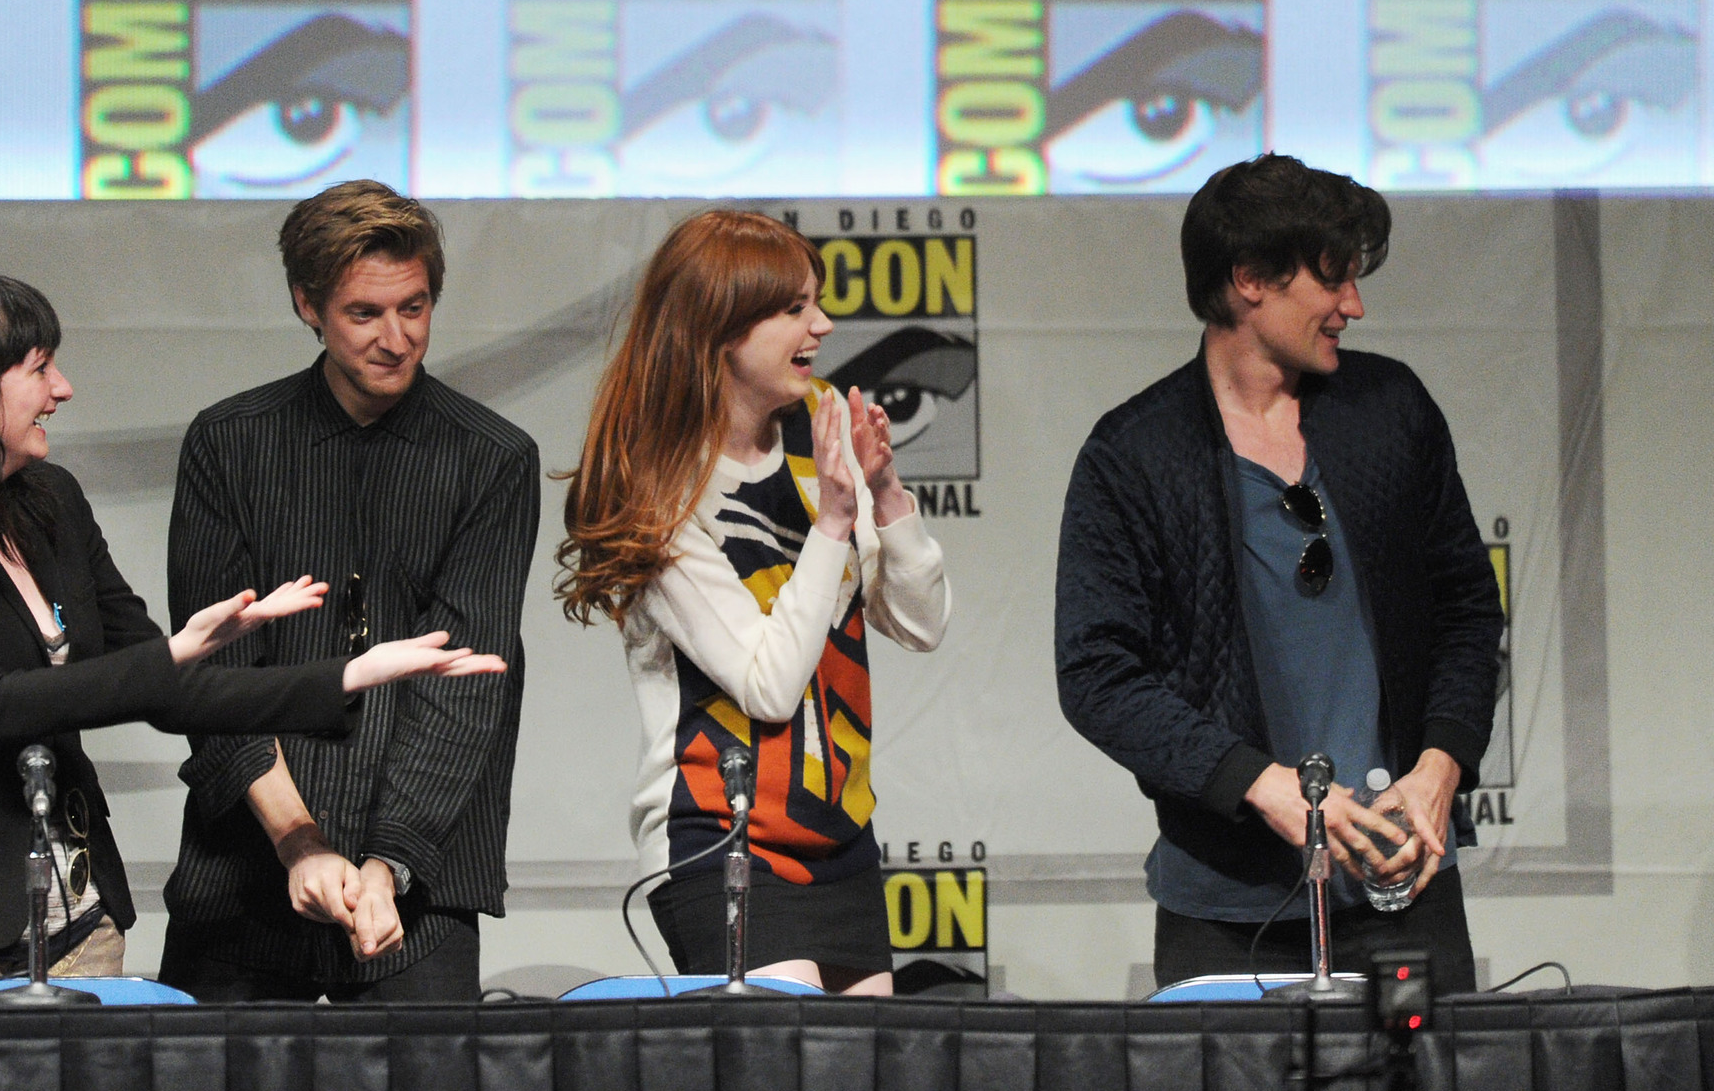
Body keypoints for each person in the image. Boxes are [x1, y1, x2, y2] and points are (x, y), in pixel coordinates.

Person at [0, 271, 501, 997]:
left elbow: (171, 691)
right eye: (40, 368)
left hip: (78, 915)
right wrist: (176, 650)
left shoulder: (52, 501)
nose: (64, 388)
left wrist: (348, 676)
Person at [1054, 154, 1504, 993]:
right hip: (1228, 909)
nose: (1354, 307)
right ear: (1251, 279)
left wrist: (1440, 767)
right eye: (1333, 281)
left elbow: (1469, 612)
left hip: (1406, 889)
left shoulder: (1390, 408)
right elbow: (1097, 674)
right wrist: (1261, 788)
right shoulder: (1135, 454)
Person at [158, 180, 538, 1003]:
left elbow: (467, 683)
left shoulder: (492, 457)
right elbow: (211, 680)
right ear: (308, 305)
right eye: (365, 313)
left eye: (415, 307)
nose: (396, 339)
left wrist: (385, 865)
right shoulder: (230, 443)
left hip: (421, 881)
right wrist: (299, 843)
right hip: (245, 877)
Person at [556, 209, 950, 994]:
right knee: (782, 1059)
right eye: (793, 308)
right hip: (719, 838)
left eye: (817, 301)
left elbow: (921, 623)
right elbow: (767, 686)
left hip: (840, 836)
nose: (824, 323)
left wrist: (885, 493)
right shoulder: (659, 490)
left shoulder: (820, 429)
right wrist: (834, 522)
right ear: (721, 328)